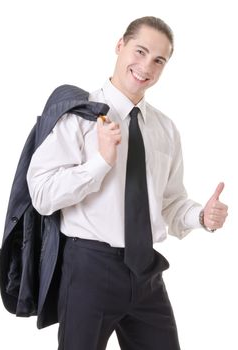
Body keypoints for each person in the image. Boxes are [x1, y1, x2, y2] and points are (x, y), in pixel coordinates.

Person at [26, 16, 228, 350]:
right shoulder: (79, 116)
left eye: (158, 60)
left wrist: (201, 217)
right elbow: (42, 195)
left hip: (146, 273)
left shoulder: (165, 129)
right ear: (120, 46)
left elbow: (170, 202)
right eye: (140, 51)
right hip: (89, 269)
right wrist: (100, 163)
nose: (146, 66)